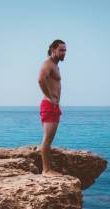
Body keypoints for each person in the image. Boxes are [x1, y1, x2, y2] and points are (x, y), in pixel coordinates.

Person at [37, 39, 66, 176]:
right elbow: (40, 79)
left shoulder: (56, 65)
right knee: (47, 139)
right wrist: (49, 97)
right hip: (49, 105)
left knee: (49, 138)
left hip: (53, 106)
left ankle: (48, 167)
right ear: (53, 49)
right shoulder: (48, 64)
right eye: (61, 50)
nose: (63, 53)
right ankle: (46, 170)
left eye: (65, 50)